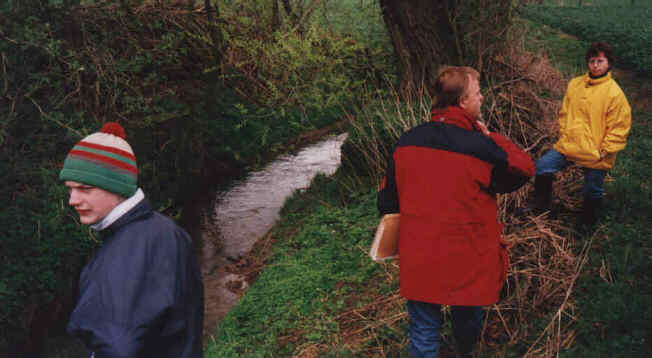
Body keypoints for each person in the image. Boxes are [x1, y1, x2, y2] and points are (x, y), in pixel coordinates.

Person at [377, 66, 535, 357]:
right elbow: (524, 168)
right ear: (463, 102)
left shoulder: (406, 141)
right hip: (468, 255)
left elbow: (386, 202)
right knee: (467, 318)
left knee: (423, 329)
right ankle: (464, 351)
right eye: (478, 93)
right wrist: (492, 136)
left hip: (421, 256)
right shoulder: (480, 147)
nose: (482, 98)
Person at [59, 122, 204, 357]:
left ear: (116, 187)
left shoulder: (126, 252)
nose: (72, 200)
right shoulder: (164, 230)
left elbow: (116, 347)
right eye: (70, 189)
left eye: (84, 188)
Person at [531, 41, 631, 227]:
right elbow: (564, 113)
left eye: (600, 61)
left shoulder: (614, 94)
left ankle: (588, 222)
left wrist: (605, 150)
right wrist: (564, 134)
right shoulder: (575, 84)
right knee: (543, 166)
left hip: (597, 153)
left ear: (609, 63)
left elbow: (619, 127)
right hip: (570, 145)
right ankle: (540, 206)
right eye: (592, 61)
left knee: (592, 189)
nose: (595, 65)